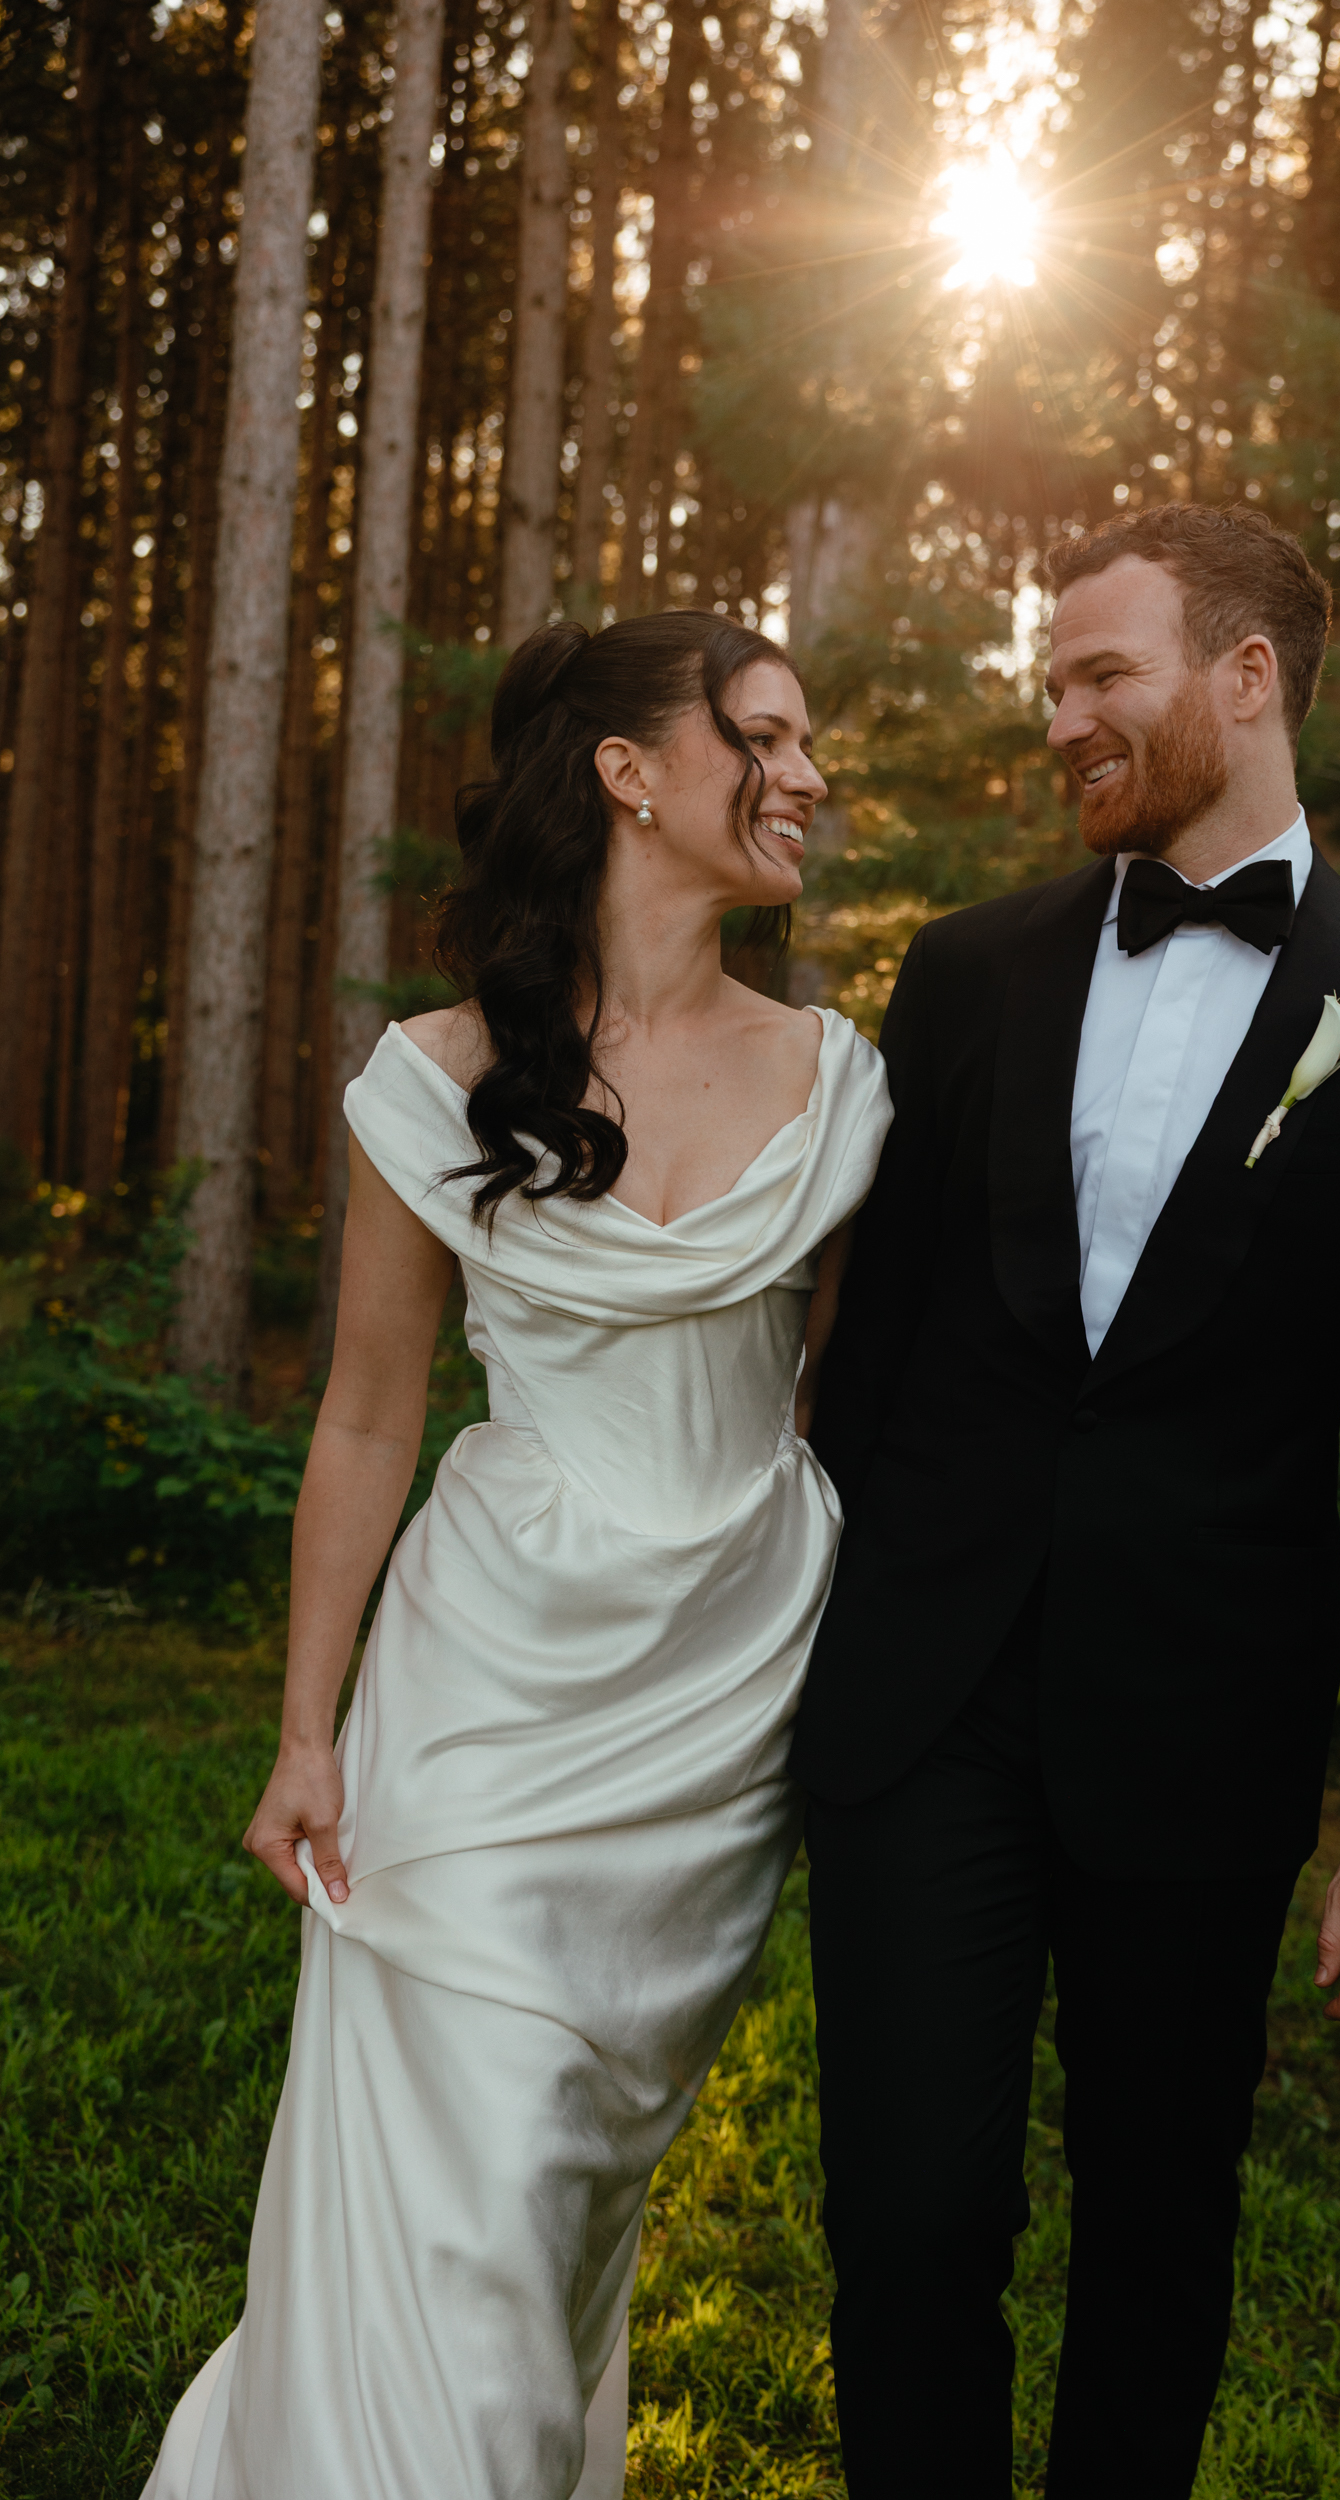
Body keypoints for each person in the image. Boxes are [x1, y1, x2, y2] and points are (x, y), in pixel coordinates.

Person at [792, 504, 1340, 2497]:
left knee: (1155, 2231)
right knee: (912, 2218)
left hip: (1203, 1727)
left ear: (1247, 676)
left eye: (1100, 673)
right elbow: (873, 1356)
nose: (1063, 718)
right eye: (1052, 684)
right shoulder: (965, 974)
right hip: (925, 1700)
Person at [141, 610, 891, 2500]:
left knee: (552, 2202)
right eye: (768, 736)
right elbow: (369, 1421)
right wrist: (307, 1732)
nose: (809, 774)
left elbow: (842, 1400)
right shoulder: (437, 1073)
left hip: (717, 1698)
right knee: (455, 2175)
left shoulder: (843, 1085)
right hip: (484, 1681)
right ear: (634, 773)